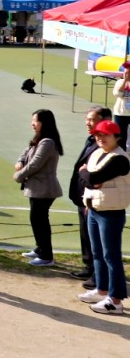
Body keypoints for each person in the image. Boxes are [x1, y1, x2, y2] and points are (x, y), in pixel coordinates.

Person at [75, 119, 129, 314]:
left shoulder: (120, 158)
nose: (100, 138)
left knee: (111, 255)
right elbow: (88, 178)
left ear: (117, 137)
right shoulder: (98, 153)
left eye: (105, 135)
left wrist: (87, 175)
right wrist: (89, 178)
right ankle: (102, 289)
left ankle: (115, 300)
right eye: (98, 135)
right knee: (98, 252)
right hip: (94, 208)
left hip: (111, 212)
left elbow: (92, 177)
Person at [13, 109, 64, 266]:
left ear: (44, 123)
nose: (32, 124)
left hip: (44, 188)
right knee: (37, 219)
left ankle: (46, 255)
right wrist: (21, 160)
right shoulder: (40, 139)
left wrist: (19, 175)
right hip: (38, 187)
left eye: (35, 120)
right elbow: (27, 152)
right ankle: (40, 249)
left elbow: (35, 163)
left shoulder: (47, 142)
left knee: (39, 220)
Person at [69, 107, 112, 288]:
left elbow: (97, 177)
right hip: (84, 197)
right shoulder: (91, 140)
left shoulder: (106, 147)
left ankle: (98, 276)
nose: (87, 123)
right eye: (87, 119)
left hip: (96, 200)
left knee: (99, 241)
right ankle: (89, 267)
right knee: (86, 235)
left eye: (91, 119)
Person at [113, 63, 130, 146]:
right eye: (125, 73)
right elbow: (118, 94)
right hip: (121, 113)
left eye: (128, 73)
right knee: (121, 138)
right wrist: (125, 81)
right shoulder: (120, 82)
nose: (126, 75)